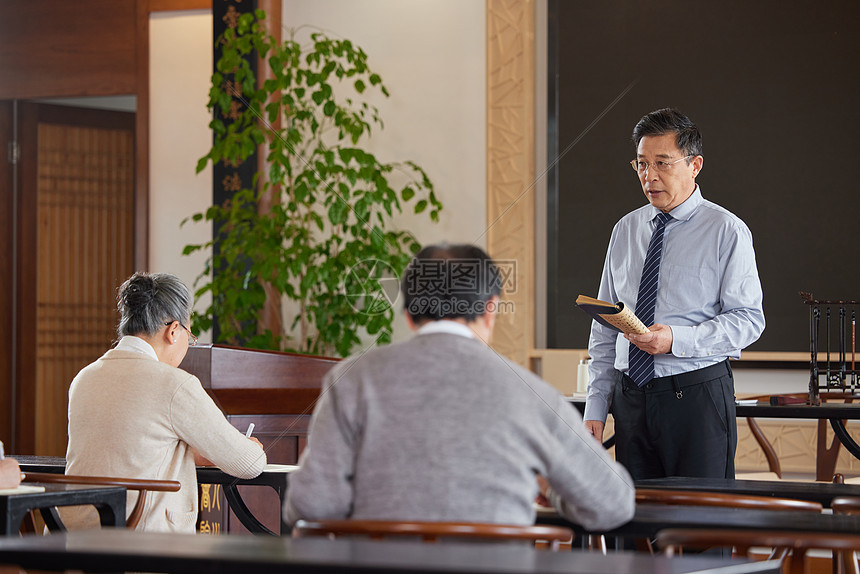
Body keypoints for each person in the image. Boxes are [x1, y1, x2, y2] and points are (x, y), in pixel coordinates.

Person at [285, 244, 635, 531]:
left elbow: (310, 503)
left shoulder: (350, 380)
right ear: (490, 310)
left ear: (408, 314)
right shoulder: (531, 393)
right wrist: (550, 487)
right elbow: (612, 503)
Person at [583, 108, 765, 481]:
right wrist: (596, 407)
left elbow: (749, 320)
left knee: (703, 526)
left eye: (662, 163)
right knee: (634, 526)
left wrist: (674, 339)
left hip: (695, 396)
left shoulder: (726, 230)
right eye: (641, 165)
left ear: (695, 164)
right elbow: (604, 327)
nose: (650, 176)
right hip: (630, 398)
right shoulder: (625, 229)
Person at [64, 272, 266, 532]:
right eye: (189, 337)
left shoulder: (84, 378)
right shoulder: (175, 385)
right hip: (143, 551)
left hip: (70, 544)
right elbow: (249, 463)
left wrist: (185, 452)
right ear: (173, 331)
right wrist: (250, 446)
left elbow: (129, 448)